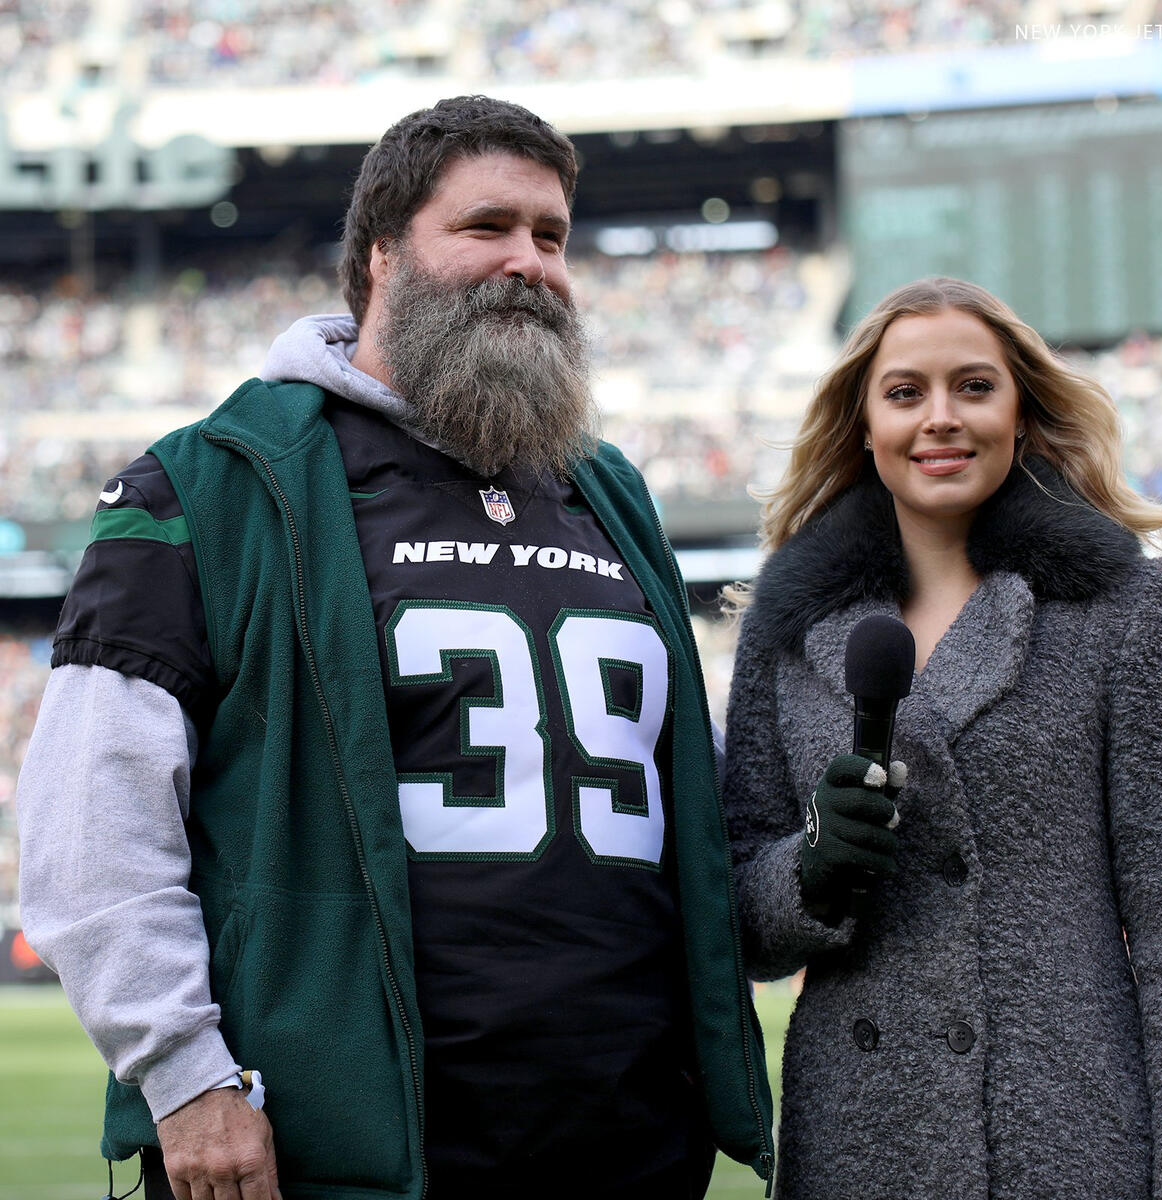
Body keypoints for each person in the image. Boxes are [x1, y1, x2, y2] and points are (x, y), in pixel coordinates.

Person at [17, 95, 774, 1200]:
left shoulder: (606, 491)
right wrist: (183, 1077)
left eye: (552, 236)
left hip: (628, 1142)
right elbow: (91, 818)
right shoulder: (212, 481)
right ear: (380, 255)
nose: (531, 262)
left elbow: (678, 806)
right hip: (351, 1153)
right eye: (489, 227)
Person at [722, 276, 1162, 1199]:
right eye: (905, 394)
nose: (940, 418)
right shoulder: (786, 629)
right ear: (865, 426)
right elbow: (744, 923)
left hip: (1068, 1132)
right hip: (857, 1139)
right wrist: (813, 865)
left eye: (974, 387)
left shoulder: (1122, 609)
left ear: (1021, 413)